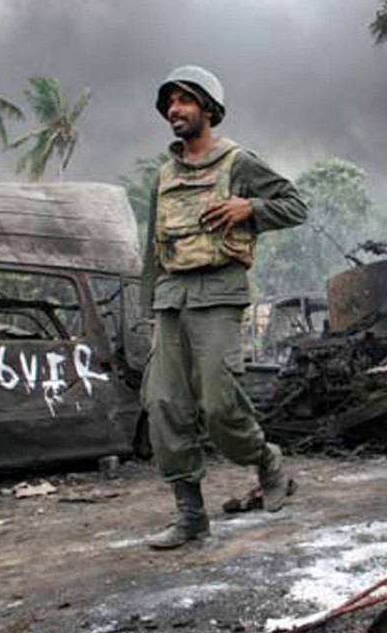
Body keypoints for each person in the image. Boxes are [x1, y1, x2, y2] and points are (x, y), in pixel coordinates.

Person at [141, 65, 308, 550]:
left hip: (217, 293)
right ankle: (190, 515)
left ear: (207, 109)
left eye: (185, 101)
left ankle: (266, 459)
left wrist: (249, 209)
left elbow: (295, 205)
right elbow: (151, 245)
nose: (175, 109)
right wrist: (146, 307)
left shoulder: (237, 162)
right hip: (171, 299)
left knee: (218, 404)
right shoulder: (163, 175)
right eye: (170, 102)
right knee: (164, 404)